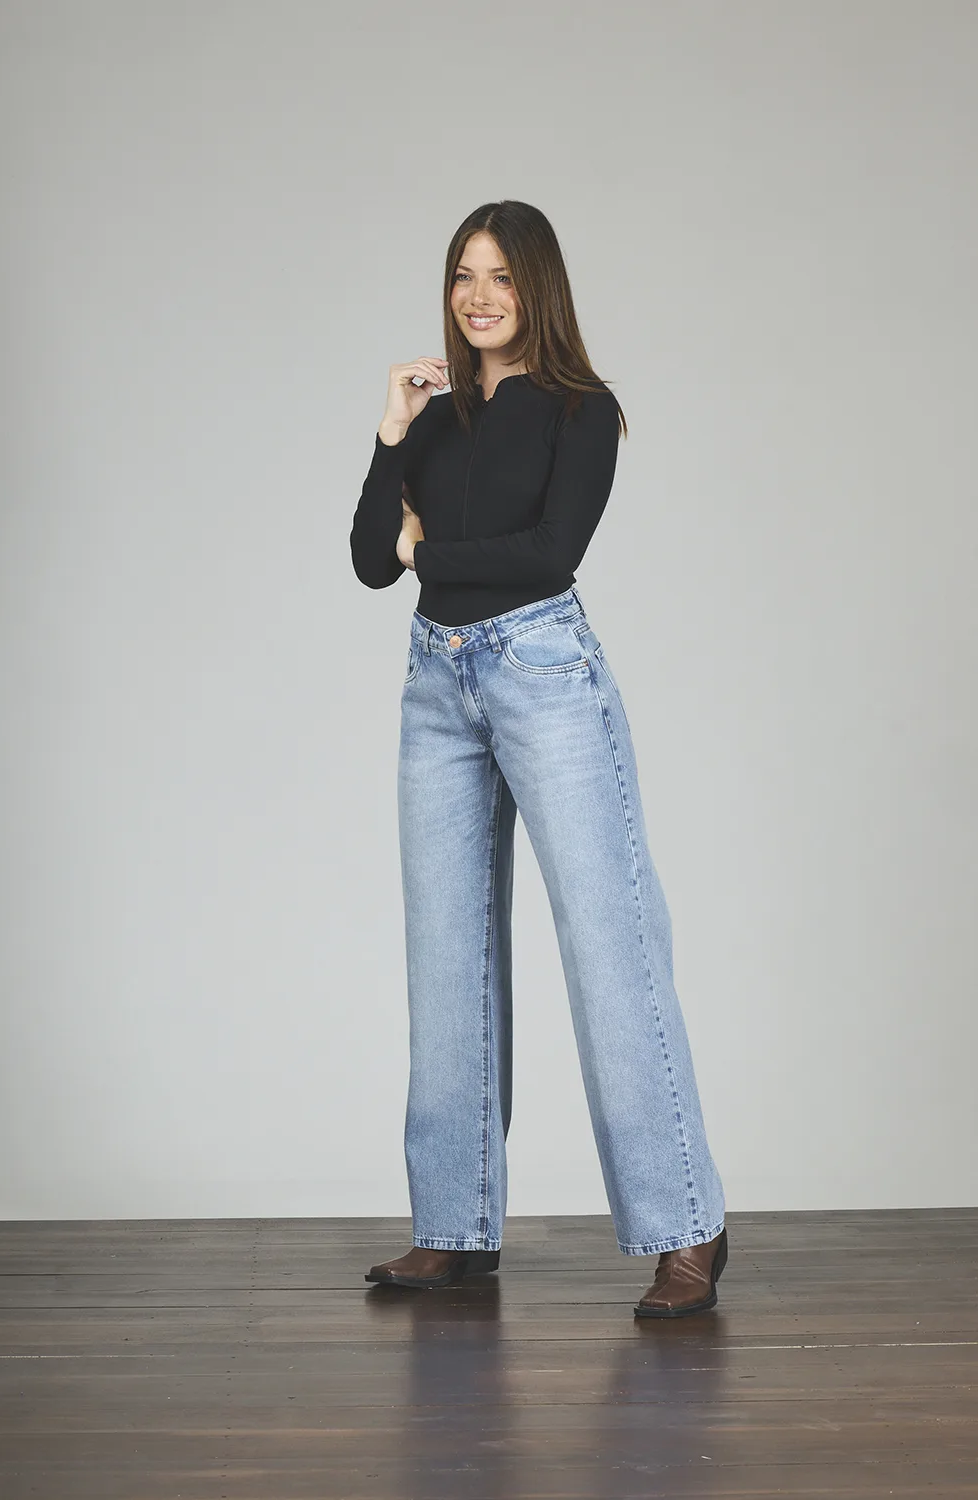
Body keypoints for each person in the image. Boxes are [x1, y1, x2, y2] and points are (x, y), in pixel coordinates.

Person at [349, 201, 728, 1317]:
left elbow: (549, 553)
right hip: (436, 684)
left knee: (610, 942)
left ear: (537, 288)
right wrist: (389, 433)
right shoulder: (431, 417)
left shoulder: (581, 409)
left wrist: (428, 549)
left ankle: (688, 1228)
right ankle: (453, 1229)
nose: (478, 297)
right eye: (463, 275)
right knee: (446, 954)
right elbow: (372, 560)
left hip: (544, 671)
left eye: (501, 277)